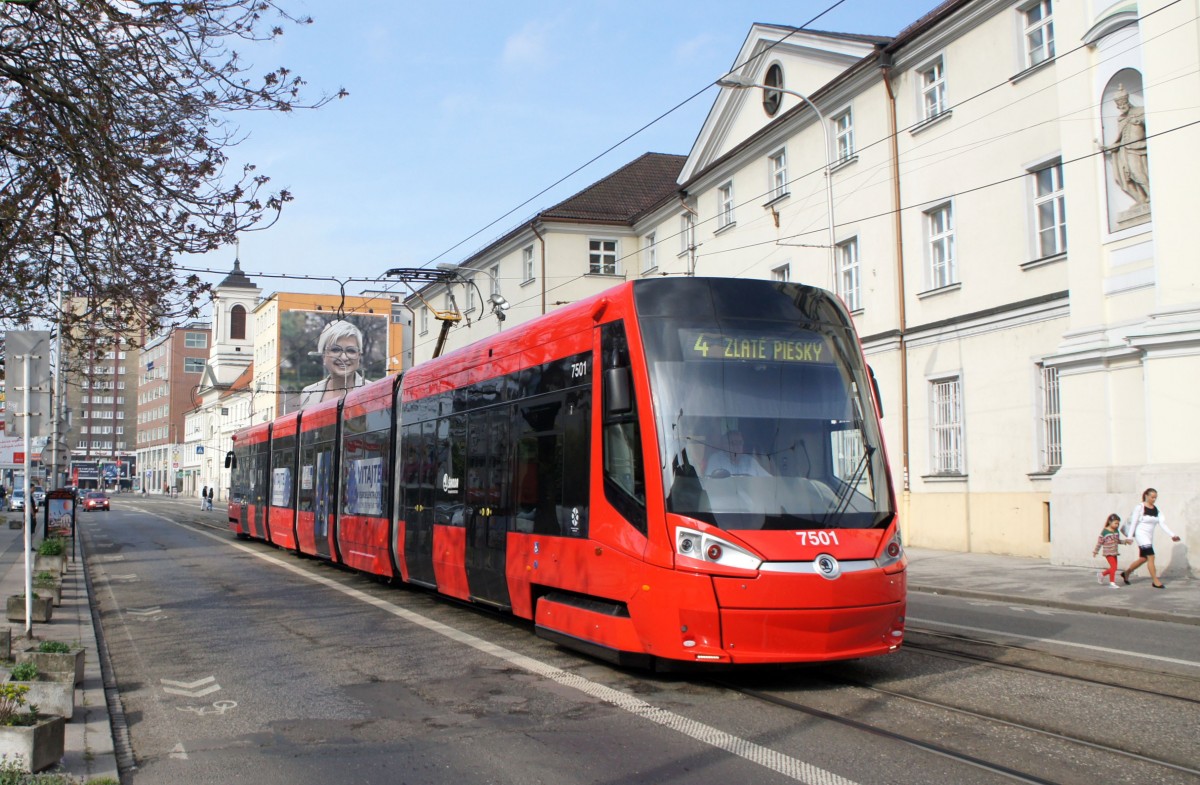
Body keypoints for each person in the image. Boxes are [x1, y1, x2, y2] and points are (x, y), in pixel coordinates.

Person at [297, 320, 370, 410]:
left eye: (351, 350)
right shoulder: (308, 394)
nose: (343, 357)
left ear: (359, 356)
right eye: (335, 350)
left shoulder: (375, 392)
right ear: (323, 355)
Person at [1120, 488, 1181, 589]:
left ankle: (1126, 573)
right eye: (1152, 497)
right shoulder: (1140, 507)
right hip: (1141, 535)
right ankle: (1155, 581)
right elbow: (1134, 522)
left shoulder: (1157, 510)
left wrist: (1172, 535)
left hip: (1149, 536)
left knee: (1143, 558)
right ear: (1146, 496)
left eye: (1155, 497)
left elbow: (1162, 524)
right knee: (1151, 556)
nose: (1154, 499)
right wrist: (1130, 537)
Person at [1106, 84, 1150, 205]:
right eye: (1119, 106)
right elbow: (1119, 139)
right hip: (1125, 151)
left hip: (1139, 147)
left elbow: (1150, 122)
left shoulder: (1139, 111)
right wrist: (1109, 147)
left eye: (1123, 104)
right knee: (1129, 176)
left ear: (1127, 101)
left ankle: (1150, 194)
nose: (1121, 107)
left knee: (1138, 173)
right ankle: (1141, 198)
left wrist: (1139, 121)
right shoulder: (1121, 119)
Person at [705, 430, 770, 477]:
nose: (737, 446)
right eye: (733, 443)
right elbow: (712, 482)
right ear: (724, 445)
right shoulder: (715, 459)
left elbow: (767, 479)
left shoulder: (750, 460)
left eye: (740, 443)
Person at [1092, 514, 1126, 589]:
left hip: (1115, 552)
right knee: (1113, 567)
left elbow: (1117, 541)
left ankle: (1101, 575)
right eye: (1115, 523)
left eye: (1118, 523)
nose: (1117, 525)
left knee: (1114, 568)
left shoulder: (1116, 531)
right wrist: (1095, 551)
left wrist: (1125, 542)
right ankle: (1112, 583)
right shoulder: (1104, 532)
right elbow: (1099, 542)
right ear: (1110, 522)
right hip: (1108, 552)